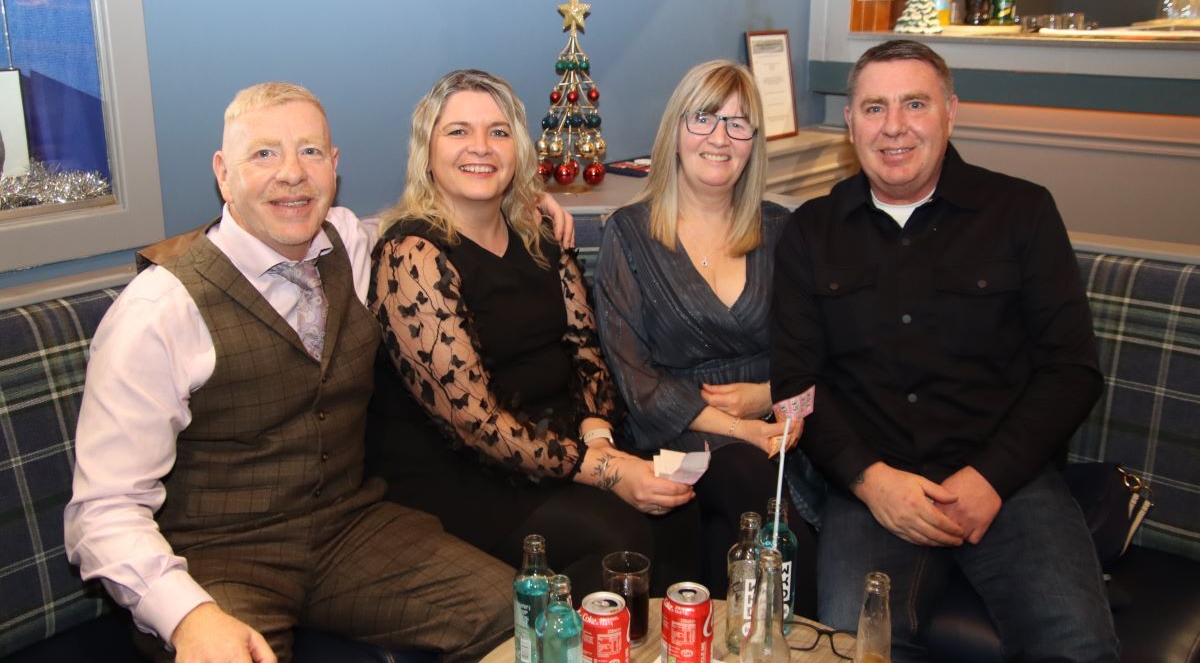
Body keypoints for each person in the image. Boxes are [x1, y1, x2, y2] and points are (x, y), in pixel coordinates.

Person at [64, 82, 517, 663]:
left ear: (334, 166)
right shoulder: (159, 311)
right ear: (223, 173)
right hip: (220, 561)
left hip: (351, 532)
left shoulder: (350, 242)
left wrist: (519, 205)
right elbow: (101, 511)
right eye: (264, 154)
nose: (292, 174)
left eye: (309, 152)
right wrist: (188, 617)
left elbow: (436, 219)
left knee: (519, 614)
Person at [771, 40, 1119, 661]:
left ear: (950, 112)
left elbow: (1071, 371)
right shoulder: (811, 232)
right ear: (850, 123)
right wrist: (871, 482)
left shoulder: (1022, 212)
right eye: (874, 108)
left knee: (1077, 648)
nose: (894, 126)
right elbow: (797, 384)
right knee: (854, 652)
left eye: (915, 103)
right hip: (875, 489)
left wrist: (990, 478)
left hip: (1008, 483)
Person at [366, 69, 696, 597]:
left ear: (519, 149)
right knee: (621, 536)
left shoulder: (541, 234)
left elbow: (586, 352)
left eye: (498, 132)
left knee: (679, 512)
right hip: (460, 473)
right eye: (457, 132)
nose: (481, 147)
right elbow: (475, 424)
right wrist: (607, 472)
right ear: (426, 152)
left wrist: (598, 436)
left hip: (556, 448)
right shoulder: (411, 256)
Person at [593, 60, 814, 607]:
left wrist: (771, 400)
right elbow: (635, 380)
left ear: (753, 143)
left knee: (732, 533)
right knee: (751, 492)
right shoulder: (630, 233)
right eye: (704, 119)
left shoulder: (783, 230)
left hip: (779, 430)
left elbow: (817, 351)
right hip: (675, 429)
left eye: (738, 124)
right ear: (674, 132)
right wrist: (743, 430)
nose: (720, 137)